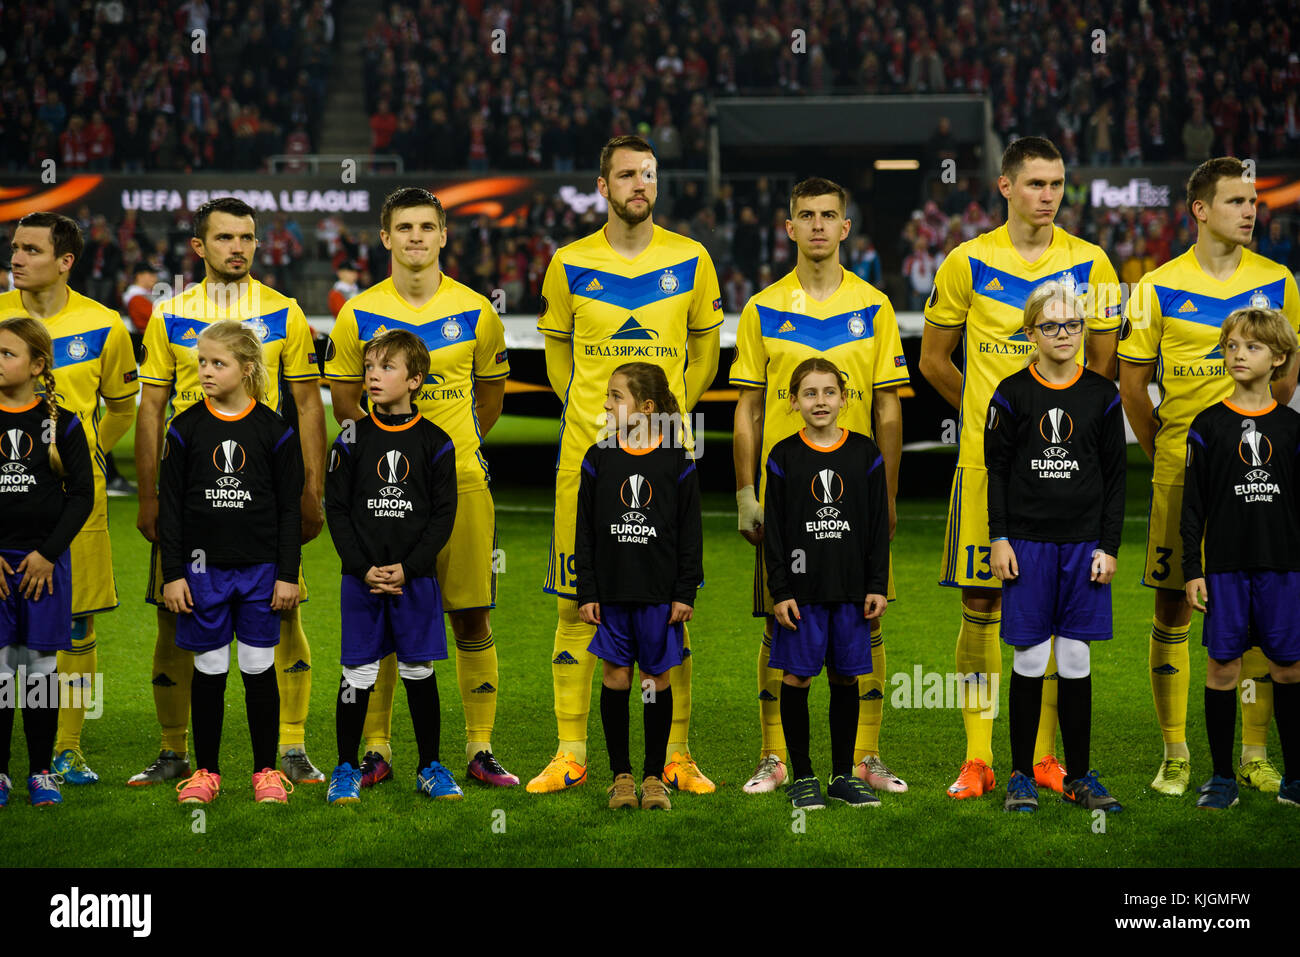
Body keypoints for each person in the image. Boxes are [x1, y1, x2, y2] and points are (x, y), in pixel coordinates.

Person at [920, 136, 1121, 800]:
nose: (1049, 195)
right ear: (1005, 186)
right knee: (981, 602)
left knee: (1057, 617)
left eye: (1058, 183)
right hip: (988, 473)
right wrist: (995, 424)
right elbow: (934, 360)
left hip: (1066, 479)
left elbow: (1100, 372)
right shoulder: (967, 261)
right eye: (1036, 183)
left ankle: (1042, 759)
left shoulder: (1090, 264)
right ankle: (978, 757)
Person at [531, 134, 721, 794]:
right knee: (574, 602)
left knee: (671, 607)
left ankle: (677, 755)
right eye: (626, 175)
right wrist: (589, 414)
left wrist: (666, 418)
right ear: (603, 186)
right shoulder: (568, 262)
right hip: (586, 463)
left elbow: (706, 354)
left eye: (649, 174)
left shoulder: (692, 259)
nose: (640, 184)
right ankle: (570, 750)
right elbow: (558, 357)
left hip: (665, 461)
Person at [1118, 157, 1300, 797]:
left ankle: (1252, 755)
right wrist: (1171, 448)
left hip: (1259, 478)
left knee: (1252, 603)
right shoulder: (1156, 285)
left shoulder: (1279, 280)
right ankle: (1175, 754)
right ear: (1199, 209)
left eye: (1253, 200)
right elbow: (1133, 386)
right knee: (1173, 604)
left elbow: (1286, 377)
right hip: (1180, 473)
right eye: (1235, 201)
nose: (1251, 210)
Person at [131, 197, 327, 788]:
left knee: (281, 616)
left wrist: (311, 489)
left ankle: (287, 749)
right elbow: (151, 408)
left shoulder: (284, 312)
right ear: (199, 247)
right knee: (176, 613)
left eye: (246, 237)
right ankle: (176, 753)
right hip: (192, 500)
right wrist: (147, 496)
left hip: (263, 503)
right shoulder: (169, 315)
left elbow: (309, 404)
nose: (237, 248)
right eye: (224, 238)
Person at [326, 188, 515, 789]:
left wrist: (442, 455)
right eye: (403, 227)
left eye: (426, 227)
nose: (414, 237)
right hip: (379, 495)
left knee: (471, 616)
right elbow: (343, 403)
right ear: (385, 238)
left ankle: (478, 750)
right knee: (383, 608)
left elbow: (490, 397)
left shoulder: (478, 311)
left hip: (457, 483)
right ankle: (376, 750)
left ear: (442, 237)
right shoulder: (357, 314)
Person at [731, 177, 907, 796]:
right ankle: (776, 756)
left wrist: (886, 495)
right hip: (787, 505)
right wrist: (746, 491)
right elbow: (747, 408)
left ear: (845, 228)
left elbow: (888, 410)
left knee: (867, 620)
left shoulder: (875, 307)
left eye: (829, 215)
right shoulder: (762, 308)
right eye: (805, 216)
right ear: (789, 228)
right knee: (781, 622)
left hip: (856, 502)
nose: (817, 227)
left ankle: (863, 757)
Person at [0, 212, 138, 786]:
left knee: (75, 624)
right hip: (6, 506)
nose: (16, 257)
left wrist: (83, 462)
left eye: (30, 249)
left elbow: (124, 407)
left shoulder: (105, 325)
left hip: (76, 506)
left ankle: (67, 749)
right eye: (14, 247)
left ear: (64, 261)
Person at [986, 283, 1126, 814]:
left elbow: (1115, 478)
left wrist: (1108, 546)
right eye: (1051, 326)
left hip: (1084, 546)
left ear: (1084, 331)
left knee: (1073, 655)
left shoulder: (1101, 394)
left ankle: (1081, 776)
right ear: (1031, 334)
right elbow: (996, 470)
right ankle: (1021, 775)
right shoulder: (1011, 392)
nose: (1063, 335)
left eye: (1072, 326)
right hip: (1026, 544)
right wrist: (999, 537)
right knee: (1029, 656)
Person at [160, 321, 303, 805]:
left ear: (246, 369)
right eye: (201, 361)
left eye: (217, 363)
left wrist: (287, 574)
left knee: (258, 664)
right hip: (203, 573)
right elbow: (171, 508)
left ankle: (266, 772)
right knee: (211, 665)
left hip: (262, 570)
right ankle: (206, 772)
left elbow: (289, 508)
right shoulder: (184, 429)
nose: (205, 371)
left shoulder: (274, 430)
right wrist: (173, 573)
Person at [325, 329, 461, 805]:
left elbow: (444, 515)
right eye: (368, 369)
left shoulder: (436, 442)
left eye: (386, 368)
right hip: (360, 580)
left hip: (415, 581)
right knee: (357, 673)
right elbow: (336, 510)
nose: (373, 377)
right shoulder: (349, 438)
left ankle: (430, 766)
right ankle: (345, 767)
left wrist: (411, 567)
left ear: (415, 380)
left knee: (418, 671)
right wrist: (362, 567)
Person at [1181, 307, 1300, 810]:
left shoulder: (1293, 428)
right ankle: (1223, 777)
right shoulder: (1208, 426)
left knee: (1289, 669)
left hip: (1285, 567)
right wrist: (1192, 570)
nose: (1238, 354)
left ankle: (1295, 777)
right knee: (1222, 669)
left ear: (1278, 358)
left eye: (1251, 347)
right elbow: (1193, 507)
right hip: (1226, 568)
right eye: (1231, 346)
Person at [763, 358, 889, 809]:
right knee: (797, 678)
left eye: (829, 392)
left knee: (845, 678)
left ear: (844, 398)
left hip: (851, 592)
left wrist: (876, 585)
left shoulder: (865, 453)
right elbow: (774, 532)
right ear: (794, 401)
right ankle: (803, 777)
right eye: (810, 393)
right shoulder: (782, 456)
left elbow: (877, 526)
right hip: (802, 595)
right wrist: (780, 591)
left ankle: (841, 775)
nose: (820, 401)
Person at [576, 363, 702, 812]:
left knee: (654, 680)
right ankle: (621, 776)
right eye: (607, 396)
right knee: (616, 678)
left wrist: (685, 591)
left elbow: (690, 533)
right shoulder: (598, 457)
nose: (606, 404)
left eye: (616, 397)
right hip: (611, 595)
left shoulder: (676, 460)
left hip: (659, 598)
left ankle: (653, 776)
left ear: (646, 407)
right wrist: (587, 591)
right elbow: (585, 533)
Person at [0, 318, 94, 808]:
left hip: (44, 565)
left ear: (38, 366)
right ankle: (0, 774)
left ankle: (40, 772)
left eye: (7, 354)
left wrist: (47, 554)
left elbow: (81, 496)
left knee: (36, 669)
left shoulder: (64, 422)